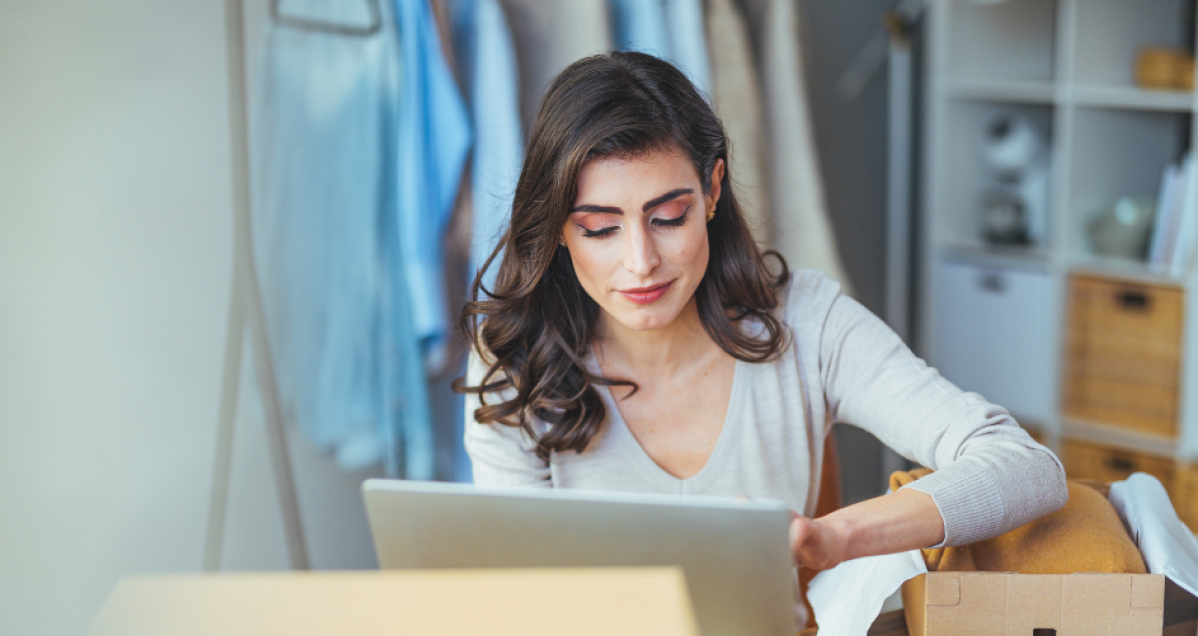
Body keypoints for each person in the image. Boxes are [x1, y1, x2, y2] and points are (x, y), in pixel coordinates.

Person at [454, 51, 1066, 575]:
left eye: (668, 218)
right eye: (599, 229)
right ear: (560, 228)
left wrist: (835, 538)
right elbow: (522, 599)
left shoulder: (810, 323)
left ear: (713, 191)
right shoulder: (512, 365)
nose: (640, 261)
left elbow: (1027, 469)